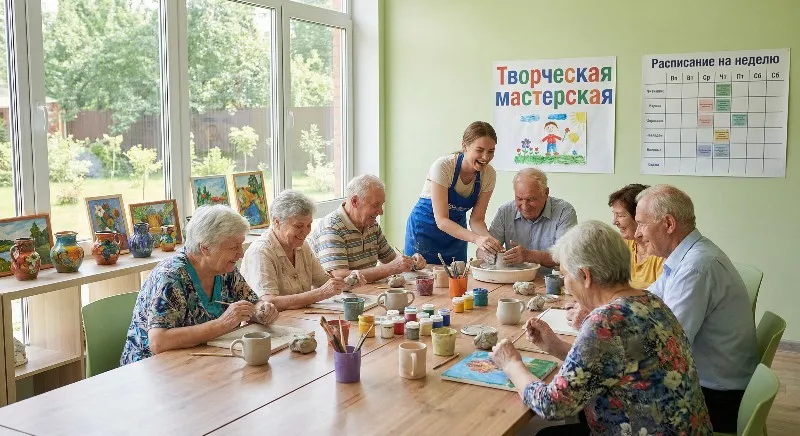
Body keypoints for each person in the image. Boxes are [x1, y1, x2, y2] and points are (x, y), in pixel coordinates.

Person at [489, 221, 712, 435]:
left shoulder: (606, 321)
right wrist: (556, 346)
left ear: (585, 276)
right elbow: (614, 363)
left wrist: (511, 363)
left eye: (565, 275)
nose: (565, 283)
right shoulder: (650, 301)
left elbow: (552, 406)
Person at [635, 184, 758, 432]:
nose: (637, 234)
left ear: (668, 224)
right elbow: (649, 299)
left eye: (642, 224)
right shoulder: (688, 255)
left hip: (718, 397)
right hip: (716, 383)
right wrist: (603, 308)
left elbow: (668, 345)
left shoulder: (695, 267)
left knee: (608, 396)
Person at [121, 205, 279, 365]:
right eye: (233, 247)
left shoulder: (224, 269)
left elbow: (252, 302)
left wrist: (261, 310)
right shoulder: (171, 277)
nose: (241, 253)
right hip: (154, 368)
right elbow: (158, 342)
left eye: (240, 245)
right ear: (205, 249)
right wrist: (222, 324)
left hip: (203, 359)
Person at [241, 190, 367, 310]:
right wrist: (320, 293)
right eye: (298, 226)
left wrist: (349, 282)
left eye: (309, 225)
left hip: (299, 318)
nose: (306, 232)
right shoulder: (261, 252)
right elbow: (268, 302)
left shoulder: (302, 246)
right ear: (277, 222)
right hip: (273, 323)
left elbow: (324, 282)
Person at [565, 184, 665, 328]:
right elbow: (604, 285)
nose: (614, 221)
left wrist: (596, 313)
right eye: (614, 214)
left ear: (639, 216)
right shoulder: (622, 246)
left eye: (620, 215)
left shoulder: (661, 253)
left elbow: (656, 303)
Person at [404, 121, 504, 264]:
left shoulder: (489, 175)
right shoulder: (443, 166)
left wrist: (489, 242)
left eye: (490, 151)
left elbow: (476, 220)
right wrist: (476, 239)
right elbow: (442, 220)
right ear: (465, 146)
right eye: (479, 150)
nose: (485, 157)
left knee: (457, 275)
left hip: (456, 235)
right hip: (425, 230)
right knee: (421, 276)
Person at [310, 174, 426, 283]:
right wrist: (390, 268)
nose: (381, 212)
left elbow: (391, 259)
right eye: (376, 205)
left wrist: (412, 262)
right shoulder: (332, 228)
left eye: (381, 205)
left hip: (365, 292)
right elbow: (340, 277)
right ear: (355, 201)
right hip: (340, 296)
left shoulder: (371, 224)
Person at [477, 168, 577, 274]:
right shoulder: (505, 212)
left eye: (531, 199)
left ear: (546, 193)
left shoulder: (564, 211)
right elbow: (481, 251)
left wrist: (529, 255)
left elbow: (566, 257)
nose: (525, 206)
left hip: (549, 280)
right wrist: (487, 253)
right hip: (513, 279)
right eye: (519, 199)